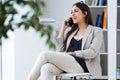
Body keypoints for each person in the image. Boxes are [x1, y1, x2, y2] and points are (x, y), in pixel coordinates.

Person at [28, 1, 104, 80]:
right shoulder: (70, 32)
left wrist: (74, 53)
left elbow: (93, 52)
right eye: (71, 12)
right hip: (68, 63)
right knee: (46, 68)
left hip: (82, 65)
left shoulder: (96, 31)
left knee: (45, 55)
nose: (72, 14)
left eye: (76, 11)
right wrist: (63, 29)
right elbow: (60, 50)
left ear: (85, 13)